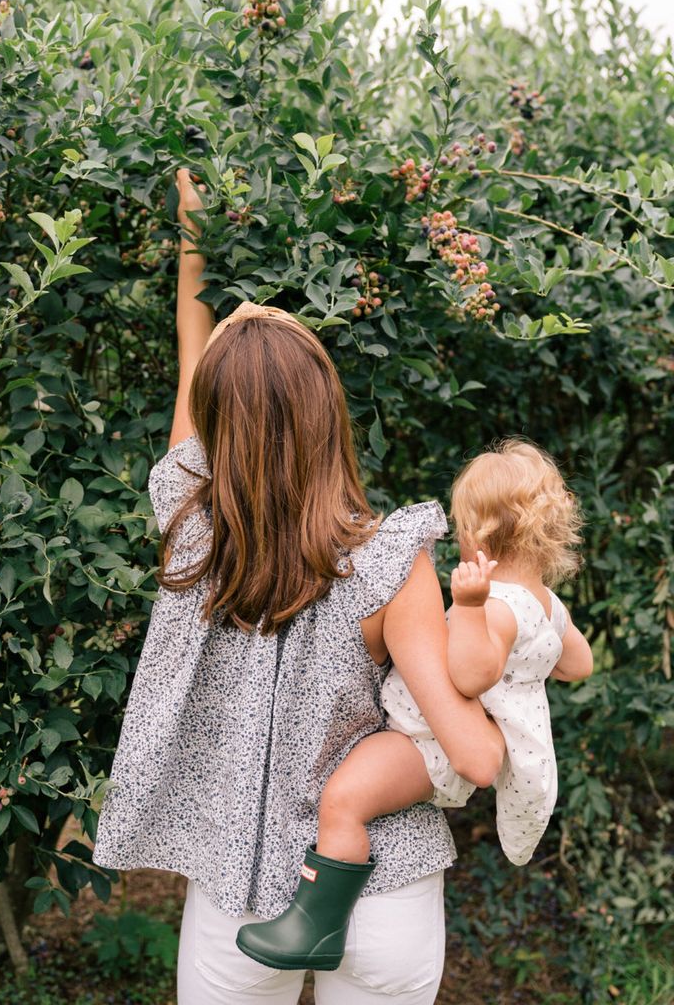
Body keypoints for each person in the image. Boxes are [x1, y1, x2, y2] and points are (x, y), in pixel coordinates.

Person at [92, 168, 505, 1004]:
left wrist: (194, 243)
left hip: (238, 889)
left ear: (213, 423)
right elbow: (469, 754)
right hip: (380, 890)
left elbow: (191, 366)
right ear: (329, 412)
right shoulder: (392, 560)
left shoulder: (192, 528)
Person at [240, 441, 593, 972]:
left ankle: (313, 925)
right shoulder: (547, 604)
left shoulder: (496, 607)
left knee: (343, 799)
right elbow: (578, 665)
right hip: (438, 746)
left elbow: (473, 673)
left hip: (424, 744)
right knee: (348, 795)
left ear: (481, 533)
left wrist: (469, 610)